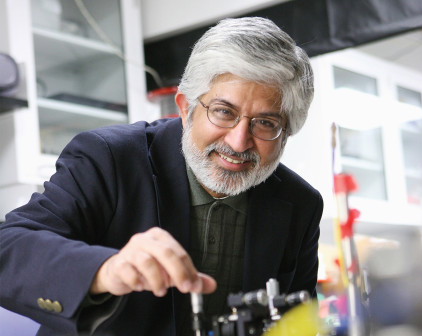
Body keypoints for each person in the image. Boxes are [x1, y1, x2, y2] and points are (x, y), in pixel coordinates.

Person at [0, 17, 323, 336]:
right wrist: (104, 270)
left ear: (286, 134)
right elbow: (8, 247)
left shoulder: (300, 204)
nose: (239, 142)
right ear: (184, 108)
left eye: (265, 123)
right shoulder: (109, 158)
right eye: (224, 112)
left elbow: (296, 324)